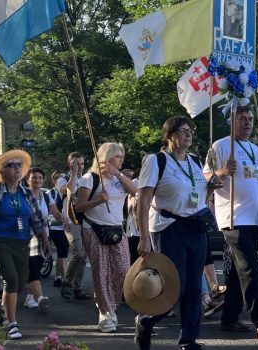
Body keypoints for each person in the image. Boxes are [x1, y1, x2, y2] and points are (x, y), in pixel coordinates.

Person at [203, 104, 258, 339]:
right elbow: (205, 178)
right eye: (242, 118)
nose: (248, 122)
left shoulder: (255, 149)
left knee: (238, 272)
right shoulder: (219, 146)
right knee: (251, 268)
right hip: (234, 217)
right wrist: (221, 172)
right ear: (232, 120)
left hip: (257, 218)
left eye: (250, 118)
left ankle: (229, 318)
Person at [135, 116, 211, 350]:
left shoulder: (195, 162)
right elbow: (144, 200)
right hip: (169, 229)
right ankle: (146, 320)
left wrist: (211, 187)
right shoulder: (157, 161)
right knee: (175, 288)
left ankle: (188, 339)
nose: (188, 134)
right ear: (169, 136)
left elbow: (198, 194)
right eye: (182, 131)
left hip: (195, 228)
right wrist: (144, 237)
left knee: (195, 288)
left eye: (190, 130)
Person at [0, 149, 46, 340]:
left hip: (22, 242)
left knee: (21, 282)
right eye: (11, 165)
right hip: (0, 242)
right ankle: (12, 324)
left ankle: (3, 306)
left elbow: (38, 219)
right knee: (11, 279)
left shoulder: (25, 193)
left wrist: (45, 240)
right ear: (2, 171)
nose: (16, 168)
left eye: (19, 165)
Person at [75, 142, 137, 333]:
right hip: (94, 229)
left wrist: (118, 173)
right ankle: (106, 313)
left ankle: (110, 303)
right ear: (106, 157)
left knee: (123, 270)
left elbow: (135, 191)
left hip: (116, 230)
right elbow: (79, 207)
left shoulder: (120, 180)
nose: (121, 159)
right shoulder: (89, 178)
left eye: (121, 156)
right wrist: (98, 200)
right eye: (117, 156)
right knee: (101, 272)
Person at [22, 167, 65, 313]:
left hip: (43, 234)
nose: (37, 180)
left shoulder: (46, 195)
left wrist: (62, 218)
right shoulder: (23, 194)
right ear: (28, 180)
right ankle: (37, 296)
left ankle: (30, 297)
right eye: (34, 177)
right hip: (26, 235)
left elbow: (54, 211)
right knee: (31, 264)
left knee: (38, 263)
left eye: (40, 177)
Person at [56, 152, 92, 300]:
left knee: (84, 256)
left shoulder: (86, 179)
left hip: (86, 220)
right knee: (79, 253)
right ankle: (67, 282)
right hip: (71, 220)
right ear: (70, 164)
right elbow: (69, 189)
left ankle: (78, 287)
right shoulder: (62, 179)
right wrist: (74, 173)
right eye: (76, 164)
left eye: (82, 164)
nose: (80, 167)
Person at [48, 171, 70, 287]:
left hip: (64, 227)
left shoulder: (68, 194)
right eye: (59, 179)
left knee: (62, 253)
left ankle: (57, 277)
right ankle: (65, 278)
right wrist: (58, 218)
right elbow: (46, 214)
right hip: (53, 227)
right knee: (63, 251)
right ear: (55, 181)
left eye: (64, 178)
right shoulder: (49, 194)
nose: (62, 181)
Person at [122, 168, 141, 266]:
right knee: (135, 258)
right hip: (136, 229)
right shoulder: (136, 182)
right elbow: (135, 207)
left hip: (145, 228)